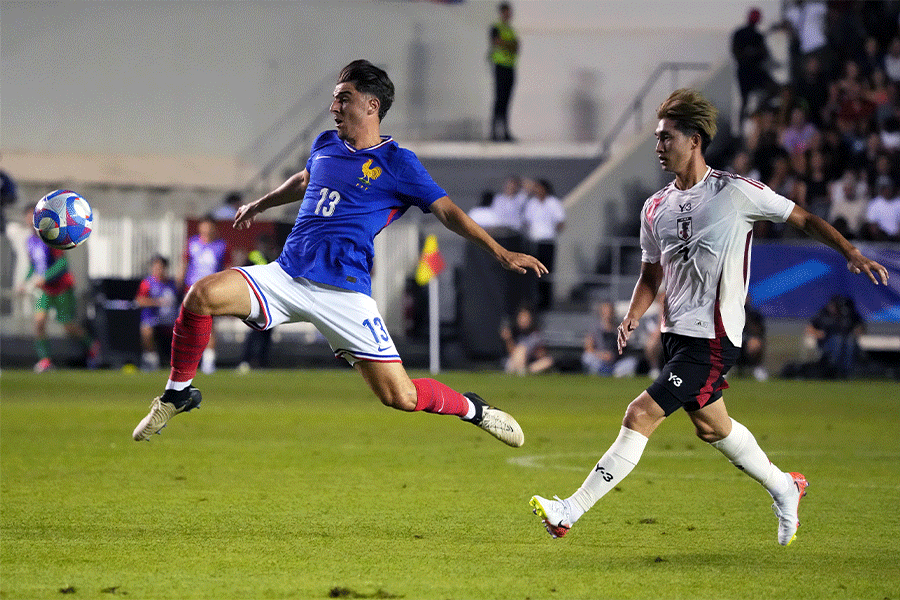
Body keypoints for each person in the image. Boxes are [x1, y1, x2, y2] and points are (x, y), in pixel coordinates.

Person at [530, 88, 889, 547]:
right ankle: (786, 487)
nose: (658, 147)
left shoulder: (735, 192)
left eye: (666, 138)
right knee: (711, 426)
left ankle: (569, 511)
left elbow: (802, 218)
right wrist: (633, 316)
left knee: (639, 414)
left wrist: (851, 251)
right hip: (676, 335)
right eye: (657, 139)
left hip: (715, 336)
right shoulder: (655, 207)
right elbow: (650, 273)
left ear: (694, 139)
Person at [132, 60, 547, 448]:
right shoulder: (325, 143)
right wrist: (262, 203)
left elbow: (448, 212)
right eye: (334, 98)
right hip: (287, 276)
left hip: (344, 293)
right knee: (200, 296)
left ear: (371, 105)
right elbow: (305, 178)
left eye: (343, 98)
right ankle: (177, 393)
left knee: (400, 396)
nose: (333, 107)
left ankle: (473, 408)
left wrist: (500, 252)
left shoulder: (399, 163)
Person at [18, 206, 99, 372]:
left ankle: (94, 347)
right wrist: (25, 282)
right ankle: (45, 361)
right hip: (44, 289)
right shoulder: (29, 242)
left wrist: (45, 277)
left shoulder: (52, 238)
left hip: (62, 287)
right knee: (39, 323)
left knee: (68, 325)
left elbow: (63, 264)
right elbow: (34, 265)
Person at [179, 214, 229, 374]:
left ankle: (208, 361)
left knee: (208, 325)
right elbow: (185, 263)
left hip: (211, 290)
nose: (206, 229)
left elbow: (227, 268)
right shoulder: (192, 243)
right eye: (204, 226)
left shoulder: (221, 246)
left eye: (209, 226)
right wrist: (179, 279)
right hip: (191, 289)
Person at [236, 234, 278, 373]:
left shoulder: (271, 257)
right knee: (255, 332)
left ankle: (261, 361)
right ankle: (246, 360)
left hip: (269, 301)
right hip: (258, 300)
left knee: (266, 333)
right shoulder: (254, 257)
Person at [523, 178, 565, 310]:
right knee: (533, 272)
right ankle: (534, 300)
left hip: (547, 242)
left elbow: (560, 221)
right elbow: (526, 220)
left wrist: (551, 231)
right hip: (534, 242)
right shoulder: (532, 203)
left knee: (546, 271)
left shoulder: (553, 203)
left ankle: (546, 302)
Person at [135, 255, 179, 371]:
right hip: (153, 318)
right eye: (156, 267)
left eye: (161, 267)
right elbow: (140, 300)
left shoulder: (172, 283)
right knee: (146, 330)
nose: (158, 270)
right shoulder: (147, 283)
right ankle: (151, 359)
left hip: (170, 321)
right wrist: (157, 302)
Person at [731, 7, 776, 121]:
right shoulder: (756, 36)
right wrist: (752, 55)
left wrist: (749, 54)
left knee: (744, 101)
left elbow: (736, 53)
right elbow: (762, 54)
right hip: (750, 71)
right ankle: (752, 115)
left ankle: (750, 117)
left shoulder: (741, 33)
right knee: (746, 100)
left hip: (746, 71)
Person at [807, 294, 865, 378]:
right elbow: (810, 327)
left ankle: (846, 372)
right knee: (837, 340)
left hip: (845, 343)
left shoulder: (846, 315)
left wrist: (857, 331)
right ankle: (833, 370)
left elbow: (860, 326)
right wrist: (818, 333)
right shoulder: (823, 314)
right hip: (826, 343)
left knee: (849, 342)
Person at [488, 2, 519, 141]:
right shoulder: (496, 28)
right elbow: (497, 42)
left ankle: (505, 132)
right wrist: (509, 44)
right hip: (500, 67)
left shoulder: (510, 30)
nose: (508, 15)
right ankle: (494, 132)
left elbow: (516, 47)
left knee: (506, 101)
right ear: (502, 13)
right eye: (506, 12)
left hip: (510, 67)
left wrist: (507, 44)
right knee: (499, 100)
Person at [500, 304, 554, 375]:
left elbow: (541, 355)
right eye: (521, 317)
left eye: (526, 317)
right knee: (520, 351)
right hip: (514, 361)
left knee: (548, 361)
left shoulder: (535, 334)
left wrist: (537, 353)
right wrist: (508, 340)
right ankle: (521, 371)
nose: (523, 320)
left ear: (530, 319)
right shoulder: (514, 331)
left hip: (530, 363)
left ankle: (525, 371)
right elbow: (513, 353)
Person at [581, 300, 618, 376]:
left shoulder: (618, 328)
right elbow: (588, 348)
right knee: (587, 357)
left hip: (614, 361)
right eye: (605, 312)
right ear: (601, 313)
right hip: (599, 359)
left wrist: (613, 355)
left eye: (610, 312)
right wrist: (602, 355)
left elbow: (623, 349)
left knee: (631, 362)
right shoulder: (594, 328)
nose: (608, 314)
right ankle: (602, 371)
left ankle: (611, 373)